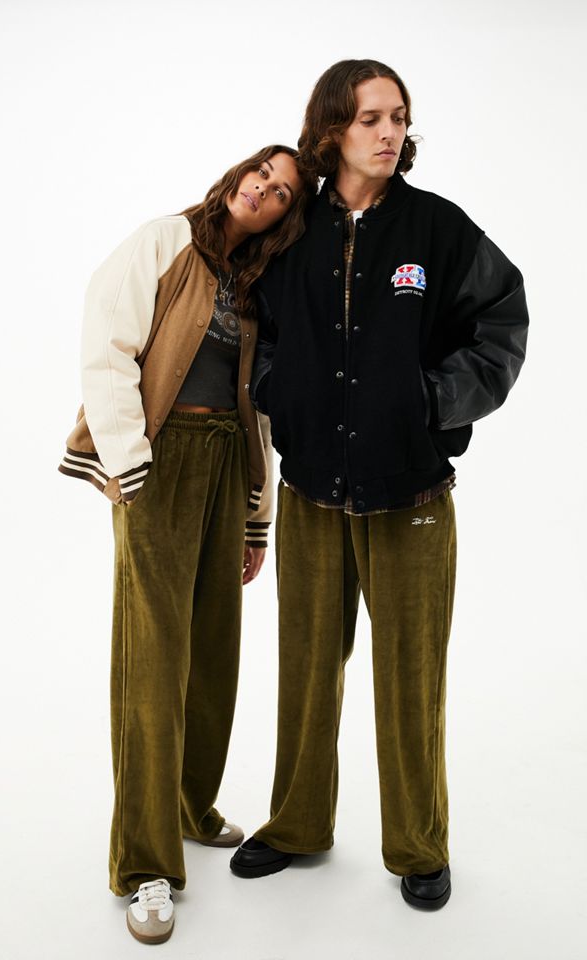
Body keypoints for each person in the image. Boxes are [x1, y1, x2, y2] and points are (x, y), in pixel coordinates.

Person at [230, 60, 529, 910]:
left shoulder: (438, 229)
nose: (390, 132)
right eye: (371, 118)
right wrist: (276, 389)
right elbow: (256, 329)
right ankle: (296, 824)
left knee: (410, 678)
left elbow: (503, 319)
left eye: (399, 116)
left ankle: (419, 846)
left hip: (412, 498)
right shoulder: (294, 232)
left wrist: (434, 401)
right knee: (305, 670)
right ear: (332, 130)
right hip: (311, 495)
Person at [59, 144, 313, 943]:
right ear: (238, 176)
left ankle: (189, 806)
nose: (264, 190)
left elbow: (256, 409)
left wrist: (256, 516)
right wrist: (129, 463)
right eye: (261, 174)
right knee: (153, 661)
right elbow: (107, 345)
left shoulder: (256, 284)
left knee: (213, 650)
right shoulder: (165, 240)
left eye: (282, 193)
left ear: (284, 218)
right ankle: (145, 865)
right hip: (158, 462)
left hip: (223, 467)